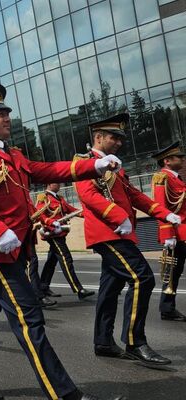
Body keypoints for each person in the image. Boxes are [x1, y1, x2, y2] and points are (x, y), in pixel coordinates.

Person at [0, 83, 125, 400]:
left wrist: (93, 165)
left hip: (17, 247)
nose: (7, 116)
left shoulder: (14, 155)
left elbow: (48, 170)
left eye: (6, 112)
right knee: (29, 318)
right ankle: (64, 394)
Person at [74, 113, 180, 366]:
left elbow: (134, 195)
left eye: (121, 138)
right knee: (141, 278)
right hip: (108, 232)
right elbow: (88, 195)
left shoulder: (113, 166)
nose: (119, 142)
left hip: (121, 232)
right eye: (114, 137)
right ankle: (135, 342)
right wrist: (117, 216)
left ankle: (103, 342)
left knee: (110, 288)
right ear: (98, 138)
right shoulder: (85, 162)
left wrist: (165, 214)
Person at [34, 183, 94, 300]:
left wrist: (87, 213)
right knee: (66, 259)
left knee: (51, 262)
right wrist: (51, 226)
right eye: (57, 183)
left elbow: (70, 210)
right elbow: (39, 214)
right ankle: (78, 289)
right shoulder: (44, 198)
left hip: (61, 232)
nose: (60, 185)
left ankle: (43, 287)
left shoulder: (59, 198)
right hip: (53, 235)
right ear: (50, 185)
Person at [151, 141, 186, 321]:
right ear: (167, 161)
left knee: (175, 271)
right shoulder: (162, 178)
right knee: (172, 271)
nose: (182, 158)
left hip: (184, 232)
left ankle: (167, 308)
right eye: (178, 156)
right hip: (177, 233)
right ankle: (167, 308)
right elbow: (160, 208)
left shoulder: (176, 178)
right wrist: (168, 235)